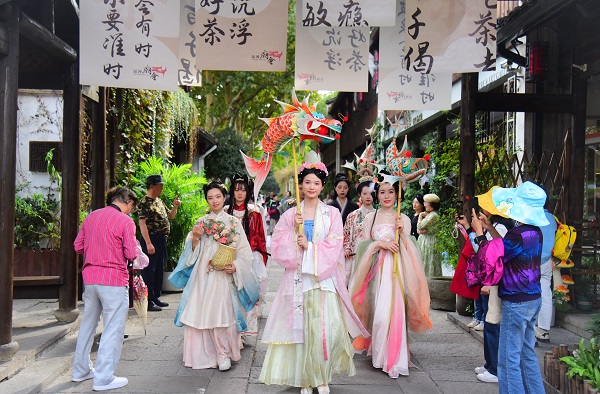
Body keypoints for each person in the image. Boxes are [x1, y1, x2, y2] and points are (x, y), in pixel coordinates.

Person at [259, 153, 369, 394]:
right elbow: (277, 244)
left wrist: (310, 246)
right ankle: (305, 378)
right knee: (302, 329)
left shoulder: (330, 214)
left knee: (324, 329)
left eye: (316, 183)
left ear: (322, 186)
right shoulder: (291, 214)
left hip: (323, 279)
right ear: (301, 185)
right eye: (307, 182)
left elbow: (336, 243)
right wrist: (291, 232)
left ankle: (321, 377)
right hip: (299, 279)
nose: (311, 187)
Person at [169, 181, 259, 371]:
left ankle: (223, 353)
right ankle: (204, 356)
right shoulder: (201, 222)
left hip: (222, 276)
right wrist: (195, 238)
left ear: (224, 197)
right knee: (201, 311)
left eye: (218, 196)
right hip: (203, 275)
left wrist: (235, 266)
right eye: (210, 198)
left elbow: (244, 252)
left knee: (221, 311)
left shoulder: (233, 222)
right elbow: (189, 255)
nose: (214, 201)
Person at [470, 181, 548, 393]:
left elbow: (491, 256)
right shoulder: (534, 232)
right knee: (526, 354)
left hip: (517, 301)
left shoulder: (516, 234)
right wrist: (489, 228)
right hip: (533, 298)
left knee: (507, 359)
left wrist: (479, 233)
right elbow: (503, 248)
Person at [349, 180, 432, 378]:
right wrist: (380, 244)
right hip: (377, 271)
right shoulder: (371, 217)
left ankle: (395, 359)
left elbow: (411, 249)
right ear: (377, 195)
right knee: (378, 316)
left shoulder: (402, 217)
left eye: (391, 192)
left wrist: (402, 232)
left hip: (397, 273)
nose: (387, 196)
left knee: (395, 313)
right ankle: (378, 354)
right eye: (383, 192)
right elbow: (363, 247)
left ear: (397, 195)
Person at [72, 186, 138, 391]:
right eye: (132, 207)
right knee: (113, 328)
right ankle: (103, 377)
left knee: (88, 325)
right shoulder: (126, 221)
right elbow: (131, 253)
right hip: (113, 279)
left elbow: (78, 246)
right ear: (127, 202)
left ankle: (80, 370)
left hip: (90, 278)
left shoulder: (91, 217)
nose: (131, 211)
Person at [226, 174, 268, 336]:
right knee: (233, 293)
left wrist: (260, 258)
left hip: (252, 257)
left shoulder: (255, 212)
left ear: (248, 191)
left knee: (251, 291)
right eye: (236, 190)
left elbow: (261, 237)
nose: (239, 193)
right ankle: (234, 330)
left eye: (243, 190)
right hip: (230, 257)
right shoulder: (225, 211)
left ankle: (247, 329)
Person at [138, 174, 181, 312]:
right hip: (151, 238)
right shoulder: (144, 202)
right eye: (160, 186)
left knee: (158, 270)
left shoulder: (159, 201)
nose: (162, 188)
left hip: (161, 239)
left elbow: (170, 216)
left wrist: (175, 207)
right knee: (149, 271)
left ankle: (155, 296)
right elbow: (142, 223)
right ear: (152, 186)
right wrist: (149, 243)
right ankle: (148, 300)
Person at [343, 180, 376, 285]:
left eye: (371, 194)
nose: (368, 197)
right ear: (360, 195)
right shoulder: (352, 215)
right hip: (355, 251)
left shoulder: (378, 215)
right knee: (354, 281)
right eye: (364, 194)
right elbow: (346, 234)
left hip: (373, 251)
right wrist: (347, 248)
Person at [536, 208, 558, 343]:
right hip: (546, 260)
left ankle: (530, 331)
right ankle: (544, 331)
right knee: (546, 294)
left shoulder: (530, 216)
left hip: (530, 261)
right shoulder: (551, 218)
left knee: (530, 295)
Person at [417, 193, 442, 277]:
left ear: (430, 204)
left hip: (429, 242)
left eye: (425, 203)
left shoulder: (432, 216)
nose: (424, 205)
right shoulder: (431, 215)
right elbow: (419, 230)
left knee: (428, 262)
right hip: (427, 241)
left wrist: (420, 216)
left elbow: (419, 226)